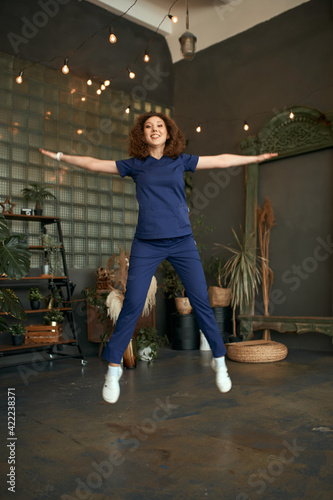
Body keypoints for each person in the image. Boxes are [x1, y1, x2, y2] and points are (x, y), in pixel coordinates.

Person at [40, 112, 277, 404]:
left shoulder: (181, 161)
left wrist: (254, 158)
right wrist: (61, 156)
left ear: (168, 133)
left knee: (201, 301)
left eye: (159, 126)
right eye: (149, 126)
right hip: (146, 244)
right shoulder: (135, 165)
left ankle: (219, 360)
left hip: (182, 242)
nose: (154, 130)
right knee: (133, 305)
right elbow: (95, 164)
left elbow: (221, 160)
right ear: (143, 134)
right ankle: (114, 369)